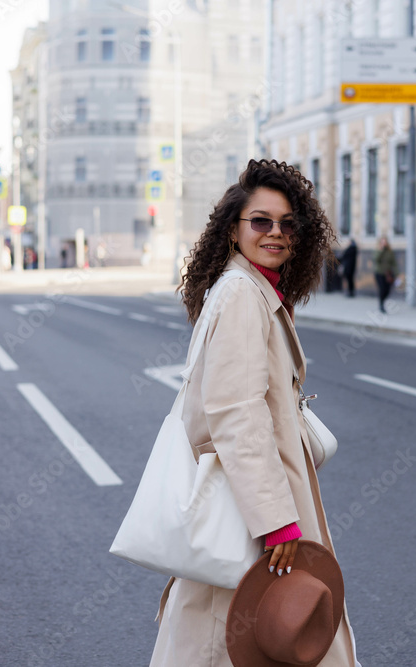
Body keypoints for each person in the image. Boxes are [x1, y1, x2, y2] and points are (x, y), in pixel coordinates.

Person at [153, 159, 358, 666]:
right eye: (261, 221)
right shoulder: (243, 294)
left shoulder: (250, 289)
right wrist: (276, 522)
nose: (277, 233)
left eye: (288, 223)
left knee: (224, 637)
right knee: (245, 637)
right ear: (233, 230)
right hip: (253, 515)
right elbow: (236, 412)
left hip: (247, 505)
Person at [373, 235, 397, 313]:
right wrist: (381, 250)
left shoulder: (390, 252)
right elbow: (376, 259)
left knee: (387, 290)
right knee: (382, 289)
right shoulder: (377, 250)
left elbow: (394, 263)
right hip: (379, 273)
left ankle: (382, 301)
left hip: (388, 273)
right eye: (382, 242)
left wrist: (397, 273)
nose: (384, 243)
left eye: (385, 242)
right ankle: (381, 304)